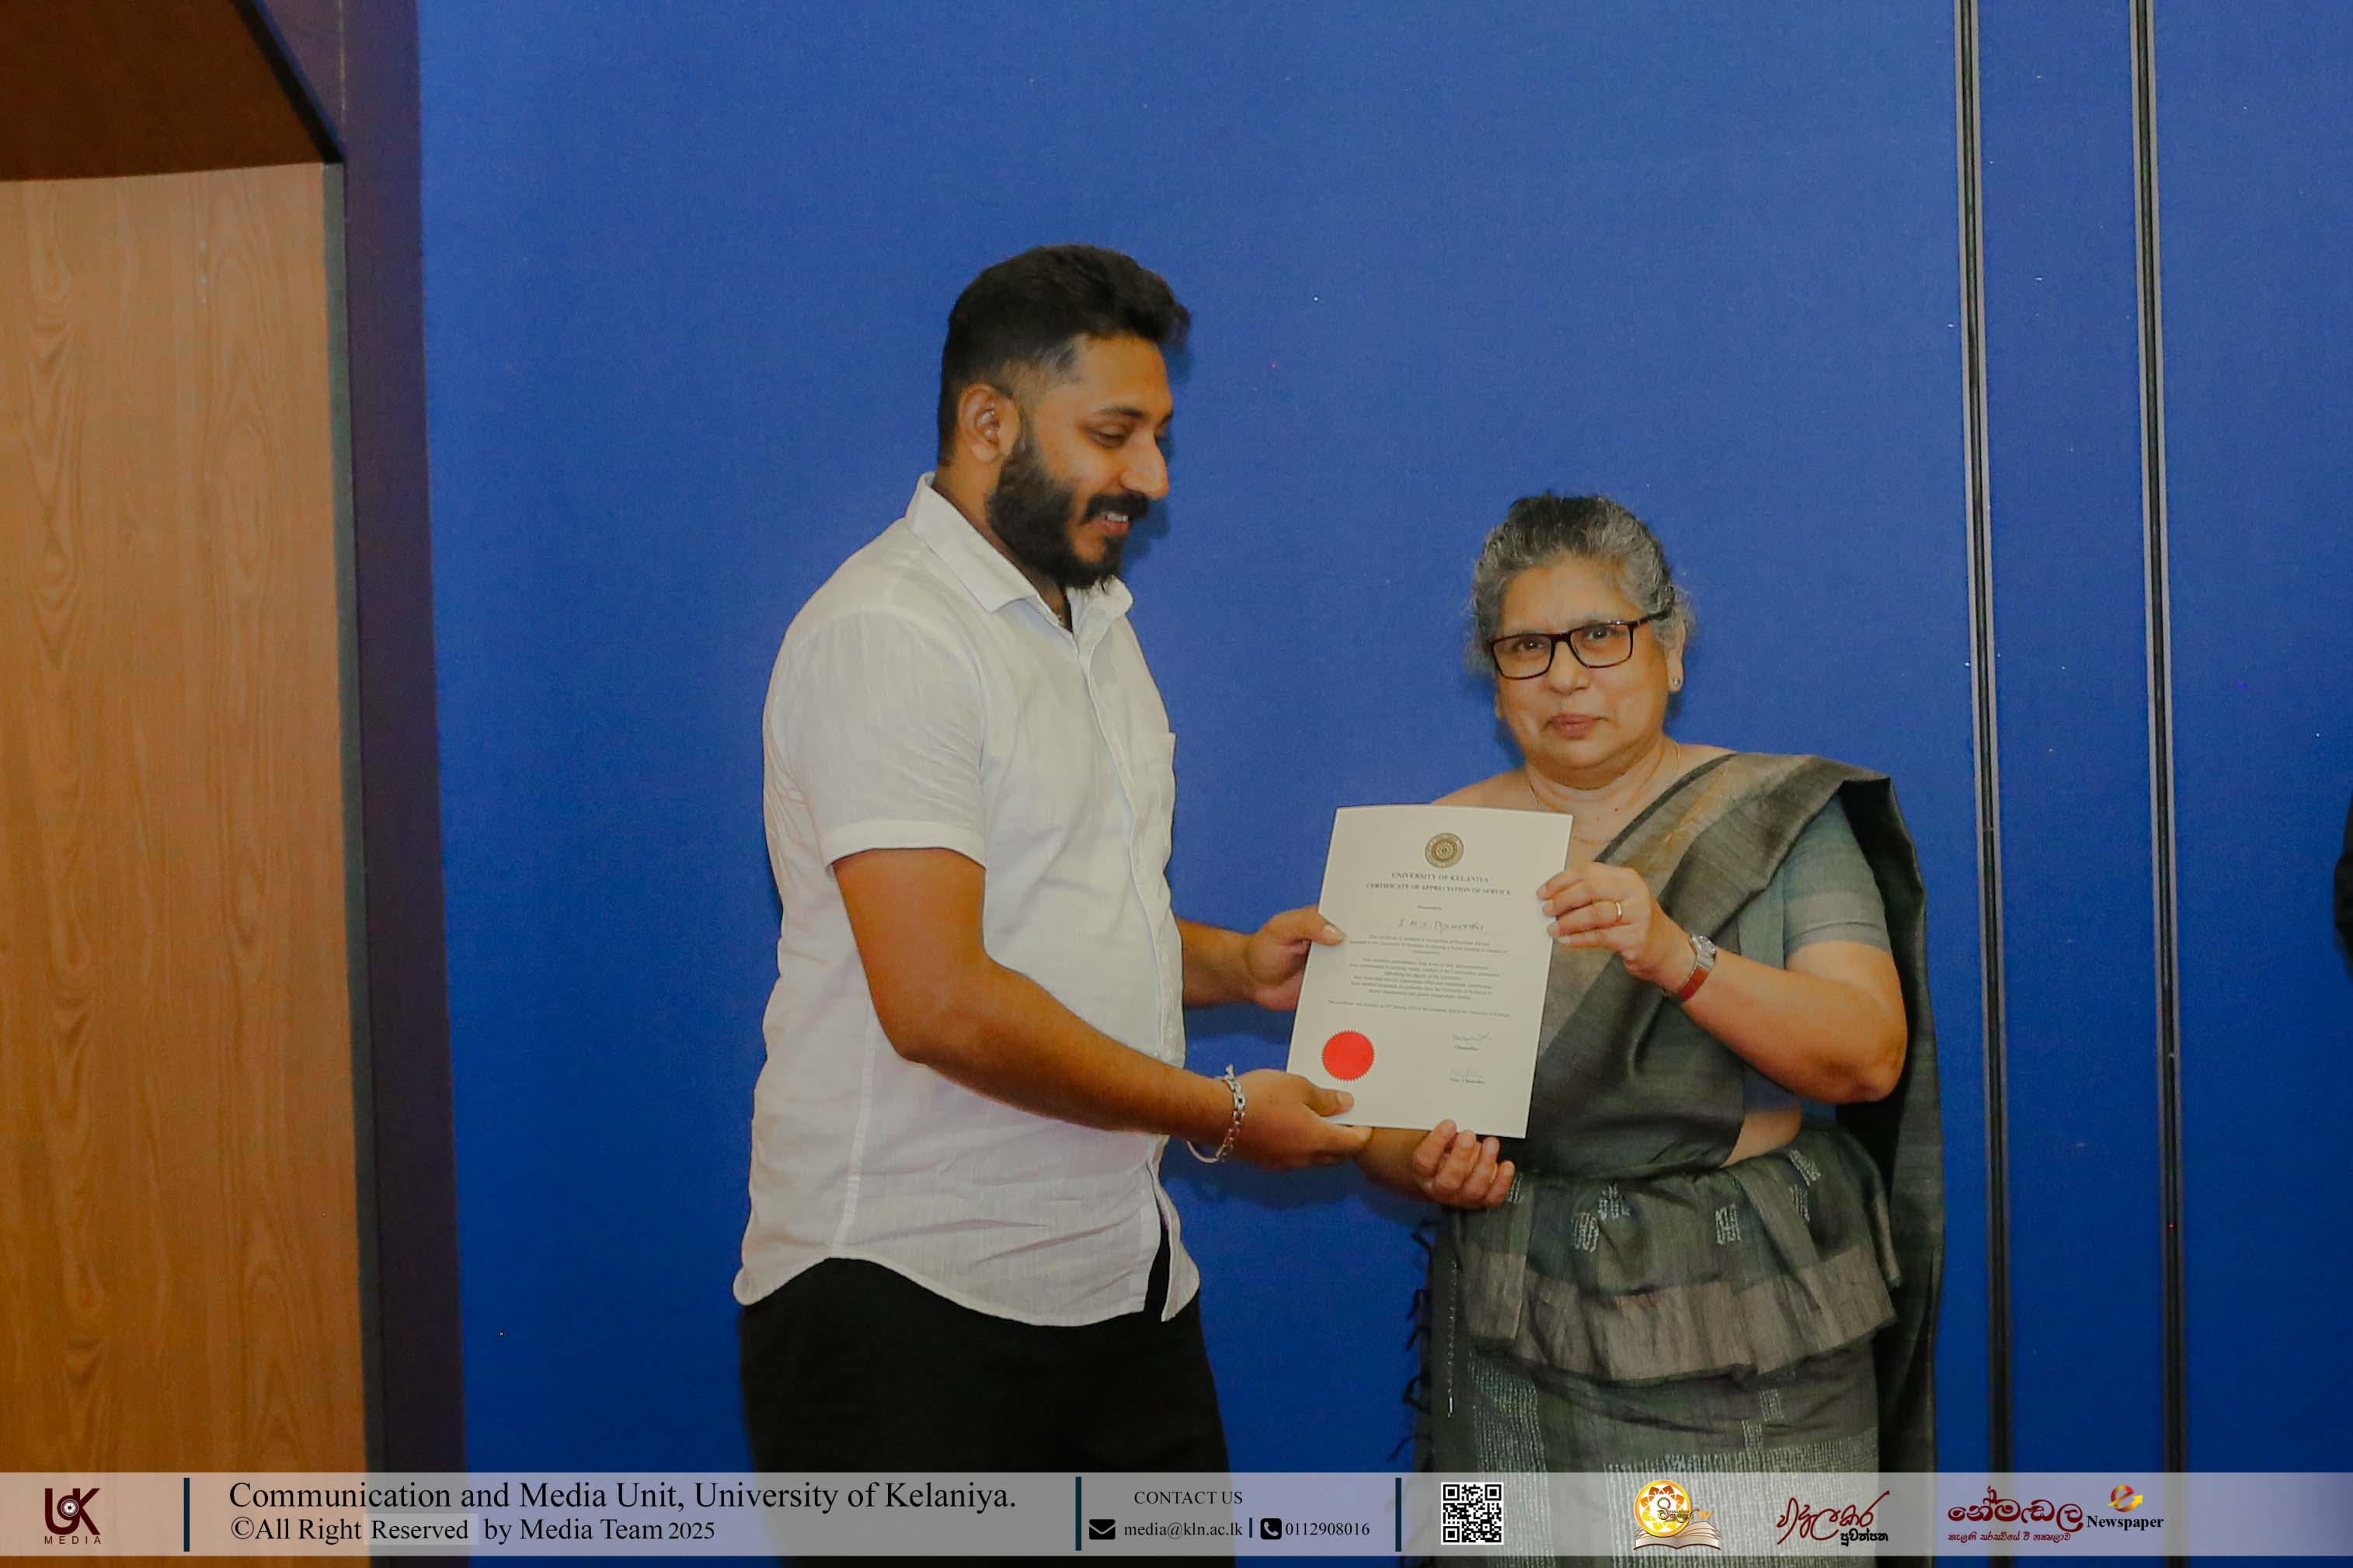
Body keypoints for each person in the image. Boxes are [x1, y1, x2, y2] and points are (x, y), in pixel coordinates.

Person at [736, 245, 1370, 1476]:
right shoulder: (889, 632)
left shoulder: (1096, 624)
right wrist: (1226, 1114)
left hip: (1122, 1288)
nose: (1152, 479)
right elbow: (939, 1000)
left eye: (1159, 438)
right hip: (907, 1303)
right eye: (1113, 435)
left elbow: (1064, 919)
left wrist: (1237, 968)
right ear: (988, 422)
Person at [1358, 494, 1942, 1524]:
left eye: (1600, 635)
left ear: (1670, 653)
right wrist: (1420, 1163)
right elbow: (1379, 1122)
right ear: (1494, 680)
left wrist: (1677, 955)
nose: (1565, 676)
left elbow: (1865, 1058)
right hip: (1514, 1315)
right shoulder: (1436, 849)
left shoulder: (1775, 818)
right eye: (1526, 648)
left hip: (1747, 1314)